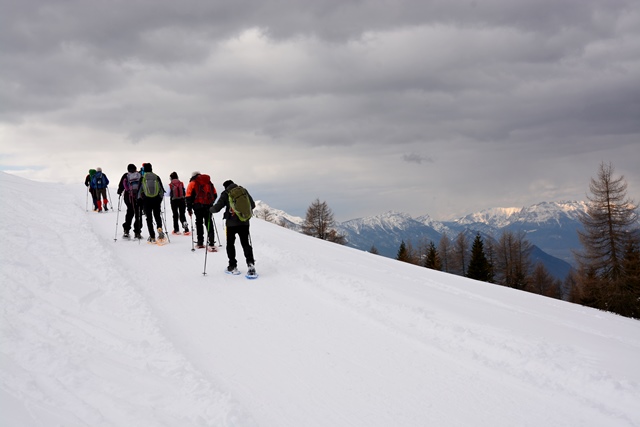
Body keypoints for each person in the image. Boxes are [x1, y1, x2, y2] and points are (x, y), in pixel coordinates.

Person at [210, 180, 256, 276]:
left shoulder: (226, 193)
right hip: (244, 222)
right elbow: (252, 205)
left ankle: (232, 266)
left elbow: (217, 208)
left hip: (231, 224)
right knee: (245, 243)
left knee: (230, 244)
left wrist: (210, 209)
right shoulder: (243, 190)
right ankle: (250, 264)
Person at [186, 171, 217, 249]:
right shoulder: (209, 182)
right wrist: (211, 203)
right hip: (208, 206)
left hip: (197, 206)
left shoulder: (192, 183)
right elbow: (215, 194)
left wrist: (189, 208)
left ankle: (200, 241)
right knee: (208, 221)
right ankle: (211, 241)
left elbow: (188, 196)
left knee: (199, 223)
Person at [138, 163, 166, 243]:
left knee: (149, 218)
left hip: (146, 200)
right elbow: (161, 190)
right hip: (156, 199)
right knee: (157, 216)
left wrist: (139, 200)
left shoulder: (143, 177)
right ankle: (159, 228)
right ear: (151, 168)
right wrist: (159, 199)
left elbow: (139, 190)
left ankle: (152, 236)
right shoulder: (156, 177)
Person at [117, 164, 143, 239]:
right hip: (138, 197)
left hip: (129, 198)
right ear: (135, 168)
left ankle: (126, 230)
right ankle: (137, 232)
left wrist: (119, 191)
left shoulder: (126, 175)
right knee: (138, 214)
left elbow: (121, 186)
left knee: (130, 213)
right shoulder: (139, 175)